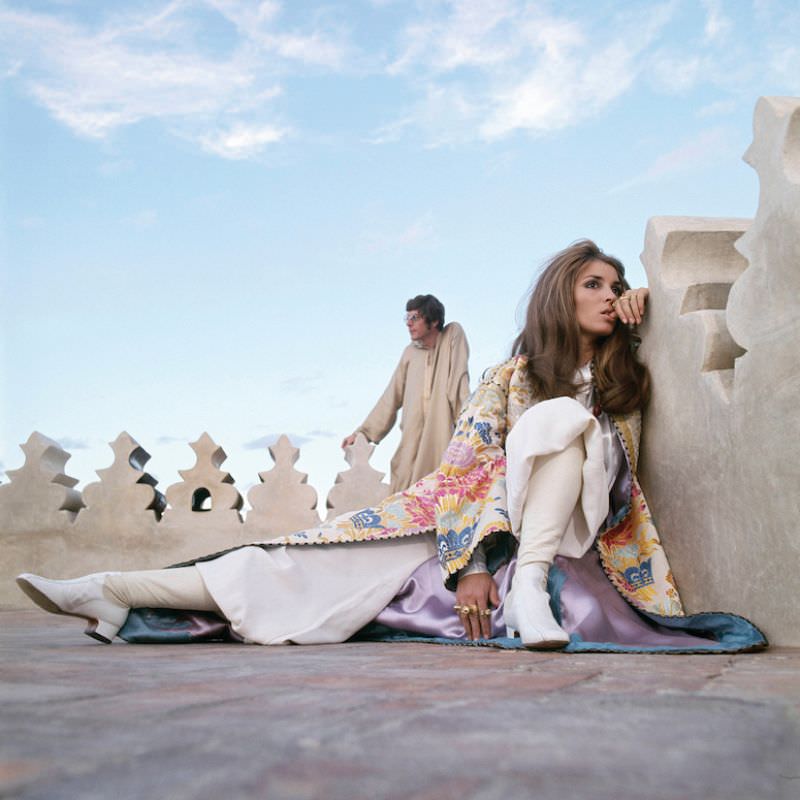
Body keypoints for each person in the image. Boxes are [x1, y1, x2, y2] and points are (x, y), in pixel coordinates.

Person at [16, 241, 766, 653]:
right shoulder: (511, 377)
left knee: (562, 425)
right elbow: (467, 468)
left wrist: (647, 310)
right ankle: (112, 591)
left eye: (618, 285)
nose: (611, 294)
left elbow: (610, 453)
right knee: (296, 570)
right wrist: (470, 562)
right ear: (560, 297)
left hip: (572, 538)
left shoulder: (618, 373)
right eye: (595, 285)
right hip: (474, 527)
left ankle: (532, 586)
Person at [341, 294, 470, 493]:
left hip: (442, 439)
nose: (408, 324)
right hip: (411, 445)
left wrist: (469, 426)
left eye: (415, 318)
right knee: (403, 495)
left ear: (434, 320)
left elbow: (459, 383)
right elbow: (391, 397)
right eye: (407, 318)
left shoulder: (452, 336)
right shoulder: (409, 353)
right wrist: (363, 433)